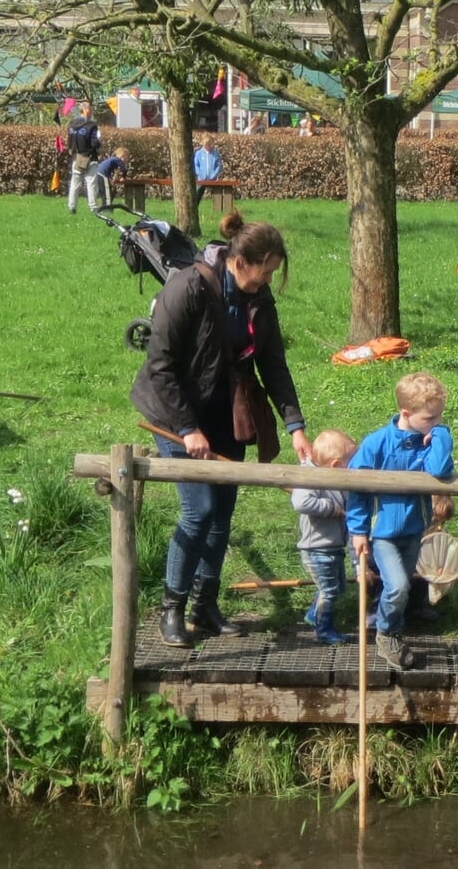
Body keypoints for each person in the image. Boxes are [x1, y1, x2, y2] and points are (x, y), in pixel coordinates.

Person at [132, 213, 312, 648]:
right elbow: (162, 367)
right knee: (199, 510)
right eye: (266, 271)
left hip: (226, 412)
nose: (269, 279)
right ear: (242, 261)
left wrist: (295, 426)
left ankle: (204, 605)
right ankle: (171, 608)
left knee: (222, 514)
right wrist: (189, 428)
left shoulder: (260, 299)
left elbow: (273, 364)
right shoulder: (188, 288)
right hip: (173, 413)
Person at [346, 371, 457, 670]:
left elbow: (440, 470)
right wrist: (357, 530)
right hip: (382, 534)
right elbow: (356, 488)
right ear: (406, 413)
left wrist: (441, 436)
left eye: (438, 417)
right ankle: (386, 634)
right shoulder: (377, 443)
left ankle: (392, 626)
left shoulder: (429, 441)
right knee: (396, 586)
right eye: (430, 418)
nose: (434, 423)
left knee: (403, 586)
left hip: (414, 530)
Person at [292, 429, 359, 645]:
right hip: (317, 549)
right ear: (336, 465)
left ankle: (314, 615)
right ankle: (324, 629)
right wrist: (332, 509)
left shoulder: (336, 480)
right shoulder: (311, 476)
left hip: (333, 548)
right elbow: (301, 503)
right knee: (328, 590)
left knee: (337, 587)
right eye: (351, 463)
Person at [65, 110, 102, 213]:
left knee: (75, 183)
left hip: (77, 157)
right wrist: (99, 142)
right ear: (86, 110)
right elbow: (94, 143)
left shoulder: (71, 124)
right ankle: (93, 207)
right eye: (90, 109)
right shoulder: (91, 125)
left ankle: (72, 207)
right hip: (90, 157)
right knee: (91, 183)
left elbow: (69, 141)